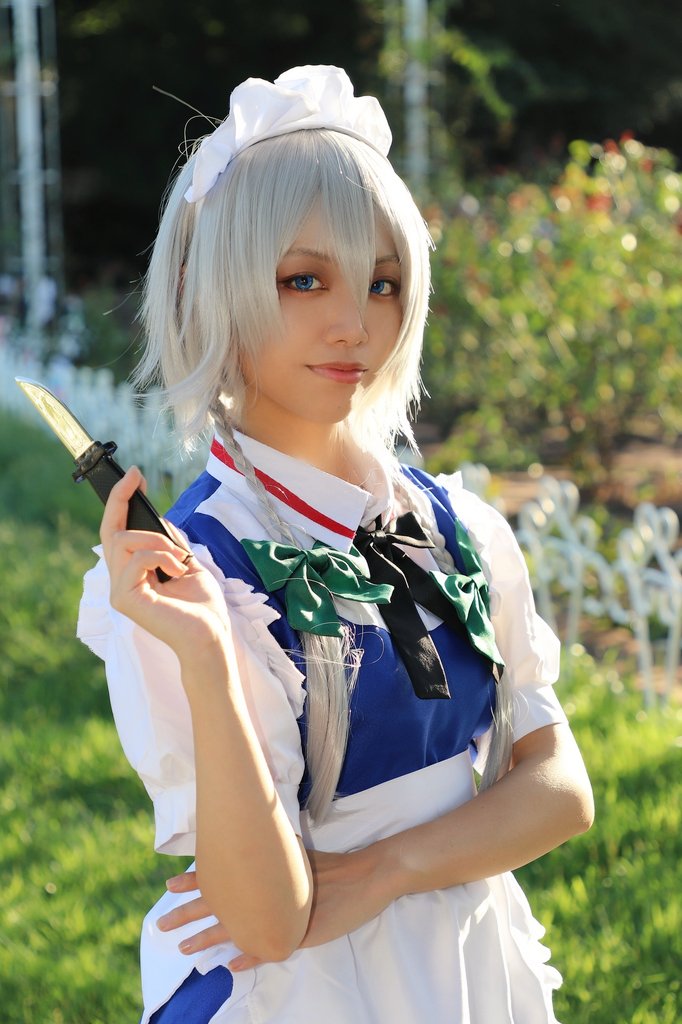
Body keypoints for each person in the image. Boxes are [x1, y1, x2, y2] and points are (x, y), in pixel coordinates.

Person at [77, 65, 594, 1024]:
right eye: (303, 279)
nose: (355, 323)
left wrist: (386, 870)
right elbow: (270, 923)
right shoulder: (197, 576)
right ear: (216, 289)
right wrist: (208, 658)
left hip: (467, 960)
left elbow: (561, 791)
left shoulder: (459, 525)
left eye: (382, 283)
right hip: (302, 990)